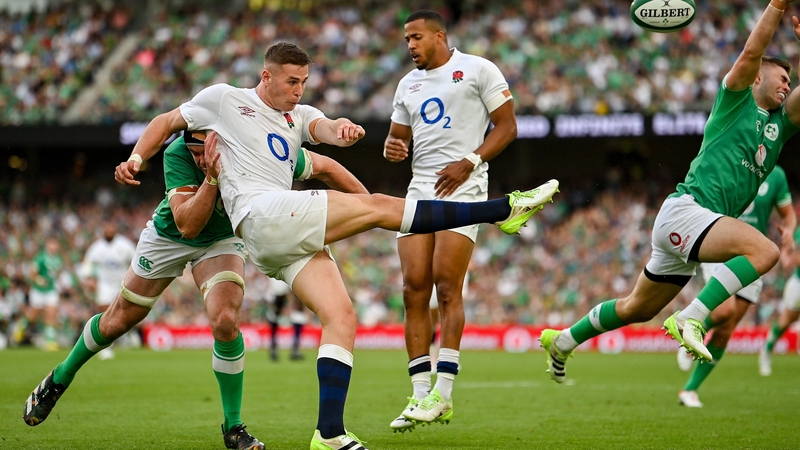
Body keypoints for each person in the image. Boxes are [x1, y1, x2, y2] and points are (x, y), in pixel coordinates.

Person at [112, 42, 557, 450]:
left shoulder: (298, 116)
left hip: (277, 236)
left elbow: (322, 128)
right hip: (261, 215)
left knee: (342, 317)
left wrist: (341, 129)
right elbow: (166, 122)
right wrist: (136, 157)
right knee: (381, 207)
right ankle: (503, 209)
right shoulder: (224, 99)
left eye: (304, 82)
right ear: (266, 77)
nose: (298, 90)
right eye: (291, 81)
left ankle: (330, 434)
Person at [539, 1, 800, 384]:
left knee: (635, 309)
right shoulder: (735, 100)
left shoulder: (782, 126)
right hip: (688, 212)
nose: (787, 85)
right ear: (757, 78)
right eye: (780, 77)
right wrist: (778, 5)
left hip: (694, 223)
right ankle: (692, 316)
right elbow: (750, 52)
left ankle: (562, 340)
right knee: (765, 251)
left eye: (790, 83)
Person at [24, 132, 269, 450]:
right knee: (116, 322)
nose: (198, 159)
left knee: (225, 319)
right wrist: (210, 178)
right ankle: (61, 376)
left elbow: (307, 163)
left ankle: (233, 427)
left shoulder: (249, 143)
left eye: (203, 152)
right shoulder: (177, 153)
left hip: (221, 240)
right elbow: (188, 225)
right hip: (172, 233)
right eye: (194, 153)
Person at [382, 10, 524, 432]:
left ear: (439, 36)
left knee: (446, 285)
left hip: (463, 187)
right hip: (420, 188)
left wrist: (471, 160)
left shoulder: (478, 69)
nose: (410, 45)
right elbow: (398, 138)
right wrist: (393, 147)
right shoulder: (407, 84)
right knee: (412, 289)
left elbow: (508, 126)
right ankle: (419, 393)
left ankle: (443, 394)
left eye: (417, 37)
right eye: (407, 38)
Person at [676, 166, 795, 407]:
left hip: (753, 255)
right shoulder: (732, 161)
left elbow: (788, 215)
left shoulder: (778, 175)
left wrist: (790, 231)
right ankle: (689, 333)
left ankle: (689, 390)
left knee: (726, 330)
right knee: (723, 310)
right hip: (723, 245)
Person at [79, 219, 137, 360]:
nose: (109, 231)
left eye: (111, 228)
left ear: (116, 229)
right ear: (103, 229)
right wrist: (89, 280)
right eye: (106, 228)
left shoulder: (125, 245)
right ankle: (107, 347)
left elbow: (136, 261)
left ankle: (129, 335)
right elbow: (87, 265)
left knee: (126, 313)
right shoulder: (96, 248)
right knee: (105, 313)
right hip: (104, 285)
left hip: (123, 283)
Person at [759, 224, 800, 376]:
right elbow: (795, 257)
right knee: (786, 321)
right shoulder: (799, 232)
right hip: (798, 283)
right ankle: (767, 350)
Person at [26, 238, 64, 351]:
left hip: (51, 290)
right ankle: (21, 327)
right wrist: (40, 280)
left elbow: (55, 275)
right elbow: (32, 274)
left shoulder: (58, 259)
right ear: (47, 245)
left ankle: (50, 342)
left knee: (51, 314)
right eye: (51, 244)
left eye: (55, 244)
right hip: (38, 291)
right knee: (33, 316)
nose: (53, 247)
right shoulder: (40, 258)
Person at [264, 276, 307, 361]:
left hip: (286, 284)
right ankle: (277, 347)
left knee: (296, 314)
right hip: (282, 284)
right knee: (276, 316)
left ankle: (292, 347)